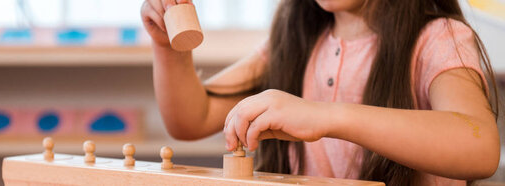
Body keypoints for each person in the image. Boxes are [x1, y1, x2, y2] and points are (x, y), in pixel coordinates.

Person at [140, 0, 501, 185]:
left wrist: (327, 115)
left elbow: (480, 145)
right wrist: (168, 48)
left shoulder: (439, 38)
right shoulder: (292, 41)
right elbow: (192, 118)